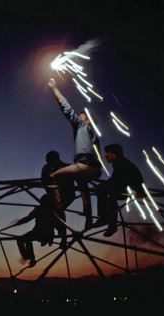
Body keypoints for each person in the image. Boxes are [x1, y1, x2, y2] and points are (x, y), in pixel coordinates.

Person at [47, 78, 102, 230]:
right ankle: (89, 218)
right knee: (83, 187)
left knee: (53, 176)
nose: (78, 117)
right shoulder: (94, 134)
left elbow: (67, 109)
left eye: (81, 116)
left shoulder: (82, 126)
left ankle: (58, 210)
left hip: (83, 167)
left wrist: (53, 88)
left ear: (88, 120)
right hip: (95, 169)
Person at [93, 143, 144, 237]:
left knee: (102, 190)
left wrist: (101, 186)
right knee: (111, 198)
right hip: (133, 188)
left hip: (132, 188)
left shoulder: (119, 163)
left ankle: (103, 217)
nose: (105, 156)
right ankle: (112, 225)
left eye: (107, 153)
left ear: (113, 153)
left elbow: (116, 179)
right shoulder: (121, 162)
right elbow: (116, 179)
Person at [15, 195, 67, 267]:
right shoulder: (55, 211)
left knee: (21, 239)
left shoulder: (39, 209)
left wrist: (19, 222)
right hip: (48, 235)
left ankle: (29, 257)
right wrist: (63, 240)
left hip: (38, 233)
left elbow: (28, 218)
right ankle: (30, 258)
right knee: (26, 239)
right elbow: (61, 227)